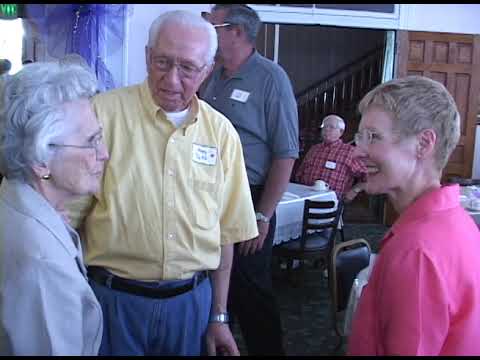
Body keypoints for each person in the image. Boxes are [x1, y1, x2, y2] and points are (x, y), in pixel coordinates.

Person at [67, 10, 258, 356]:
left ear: (207, 70)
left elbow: (226, 235)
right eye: (162, 62)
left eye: (187, 68)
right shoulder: (100, 115)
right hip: (113, 301)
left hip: (191, 305)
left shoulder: (222, 134)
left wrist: (219, 315)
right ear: (146, 56)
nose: (171, 80)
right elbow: (65, 217)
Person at [347, 75, 480, 355]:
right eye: (360, 136)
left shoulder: (417, 250)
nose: (357, 151)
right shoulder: (458, 221)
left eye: (374, 137)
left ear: (423, 144)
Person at [200, 4, 299, 355]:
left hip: (249, 198)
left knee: (250, 293)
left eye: (211, 24)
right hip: (204, 196)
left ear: (236, 32)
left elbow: (286, 152)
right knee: (209, 287)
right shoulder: (210, 74)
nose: (206, 29)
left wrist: (263, 214)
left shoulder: (271, 78)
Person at [0, 61, 109, 355]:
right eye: (92, 141)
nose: (104, 154)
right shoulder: (41, 263)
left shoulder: (17, 195)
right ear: (41, 161)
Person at [294, 114, 367, 202]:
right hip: (304, 200)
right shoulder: (314, 149)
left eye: (331, 127)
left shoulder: (350, 152)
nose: (326, 129)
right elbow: (300, 173)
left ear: (341, 132)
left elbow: (368, 176)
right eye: (324, 127)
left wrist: (354, 191)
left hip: (331, 204)